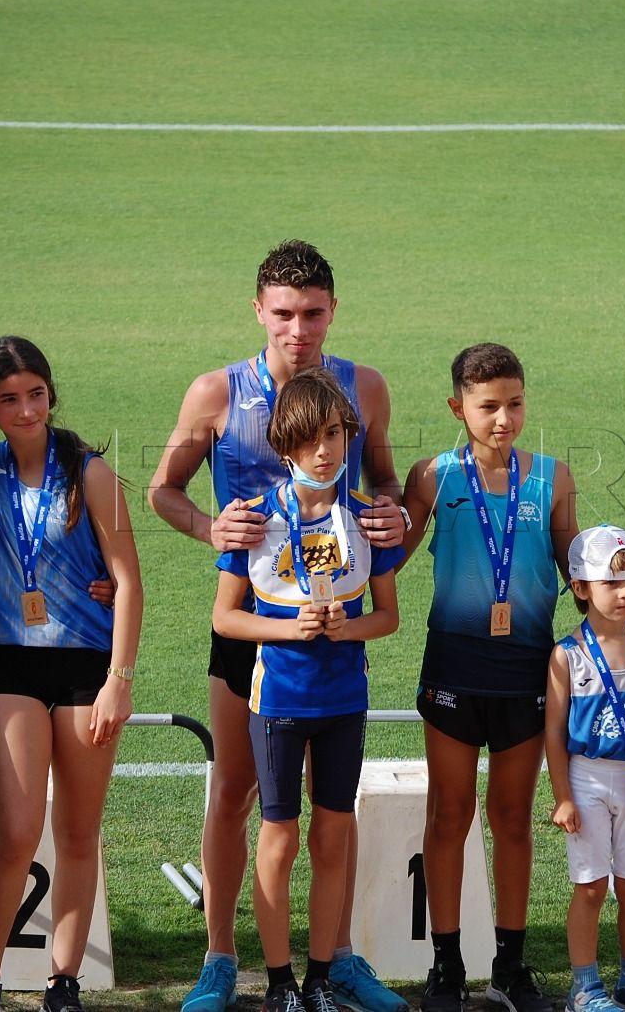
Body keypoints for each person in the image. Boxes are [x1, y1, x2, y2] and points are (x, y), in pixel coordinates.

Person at [149, 241, 409, 1012]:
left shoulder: (364, 386)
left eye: (313, 313)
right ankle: (220, 958)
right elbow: (163, 489)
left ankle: (341, 958)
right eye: (285, 313)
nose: (299, 329)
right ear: (258, 310)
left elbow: (385, 480)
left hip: (334, 624)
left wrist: (393, 511)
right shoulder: (216, 392)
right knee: (235, 789)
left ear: (334, 310)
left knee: (334, 805)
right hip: (252, 626)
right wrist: (210, 527)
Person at [211, 369, 404, 1012]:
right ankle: (279, 983)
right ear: (285, 446)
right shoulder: (255, 520)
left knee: (331, 837)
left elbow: (389, 616)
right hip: (278, 704)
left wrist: (350, 629)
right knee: (280, 836)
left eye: (335, 436)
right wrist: (289, 628)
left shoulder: (367, 519)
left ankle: (321, 978)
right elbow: (225, 618)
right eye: (310, 440)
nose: (325, 451)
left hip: (344, 703)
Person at [399, 343, 579, 1012]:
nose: (504, 418)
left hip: (526, 673)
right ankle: (446, 964)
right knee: (450, 814)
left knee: (512, 818)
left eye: (515, 404)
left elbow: (578, 571)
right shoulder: (432, 476)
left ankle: (510, 964)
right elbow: (388, 559)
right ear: (459, 408)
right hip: (453, 668)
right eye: (488, 407)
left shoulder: (553, 478)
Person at [0, 337, 143, 1012]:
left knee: (76, 832)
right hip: (11, 662)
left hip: (86, 667)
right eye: (8, 398)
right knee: (16, 833)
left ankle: (63, 980)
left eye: (35, 393)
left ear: (50, 393)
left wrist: (119, 679)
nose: (25, 409)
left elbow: (130, 583)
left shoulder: (92, 473)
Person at [545, 526, 625, 1012]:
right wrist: (563, 796)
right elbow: (554, 733)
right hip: (586, 779)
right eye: (611, 583)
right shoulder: (567, 655)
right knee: (592, 887)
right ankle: (585, 988)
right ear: (580, 587)